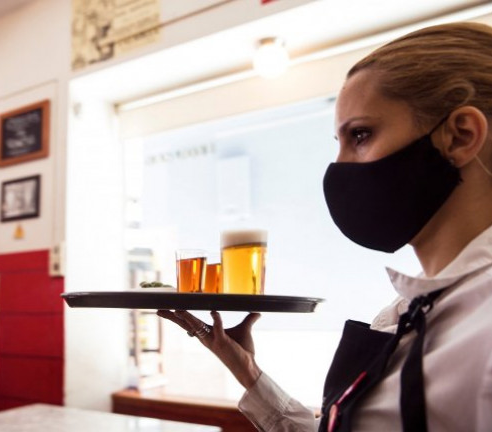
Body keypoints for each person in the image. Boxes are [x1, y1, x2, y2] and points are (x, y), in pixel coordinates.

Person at [157, 22, 492, 431]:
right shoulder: (412, 309)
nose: (339, 167)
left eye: (361, 135)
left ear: (459, 136)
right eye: (339, 141)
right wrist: (246, 370)